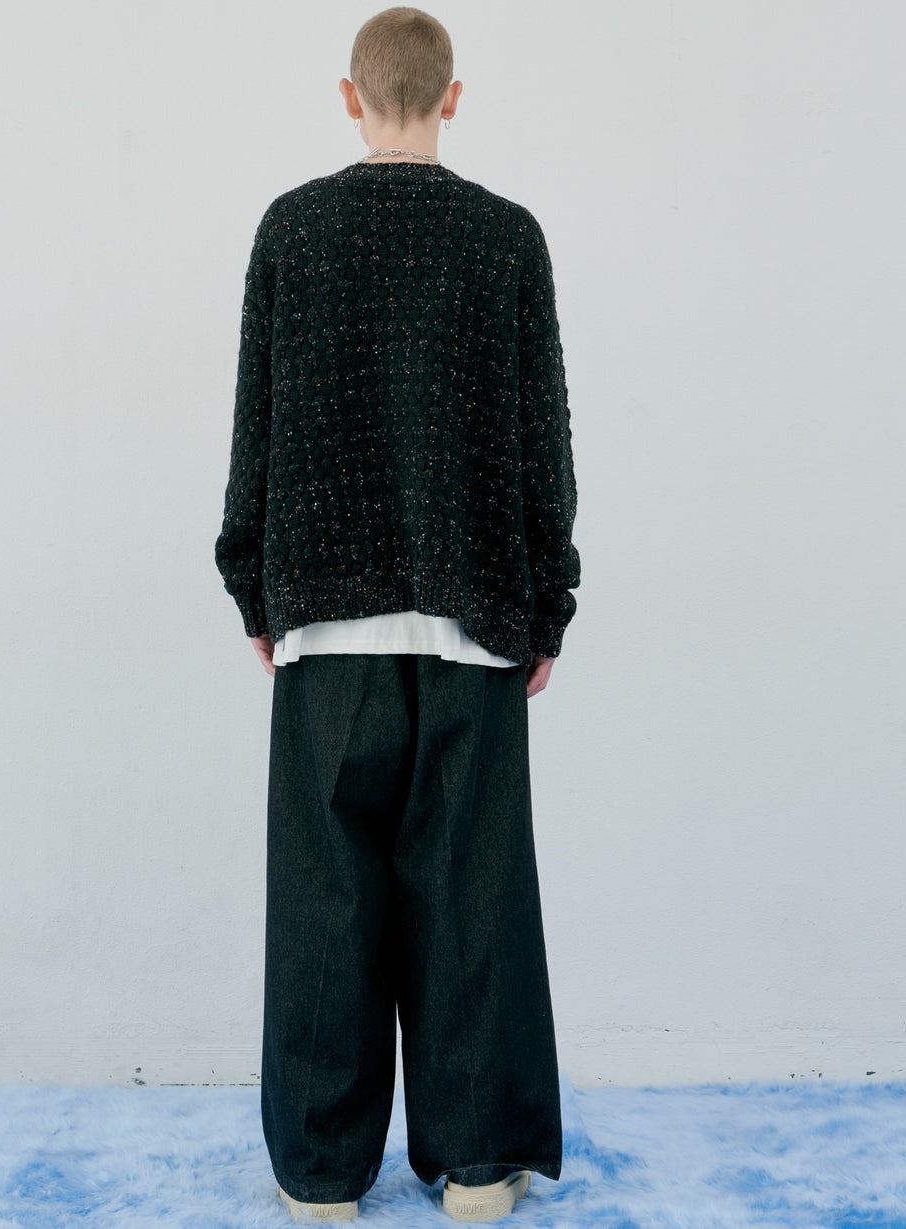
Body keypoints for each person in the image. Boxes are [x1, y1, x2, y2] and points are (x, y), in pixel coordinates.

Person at [214, 7, 580, 1221]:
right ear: (452, 98)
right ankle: (476, 1166)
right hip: (473, 626)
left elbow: (257, 422)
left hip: (327, 634)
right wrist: (545, 602)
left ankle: (322, 1177)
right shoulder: (506, 236)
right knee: (470, 900)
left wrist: (255, 581)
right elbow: (540, 440)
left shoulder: (292, 229)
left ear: (349, 94)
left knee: (326, 908)